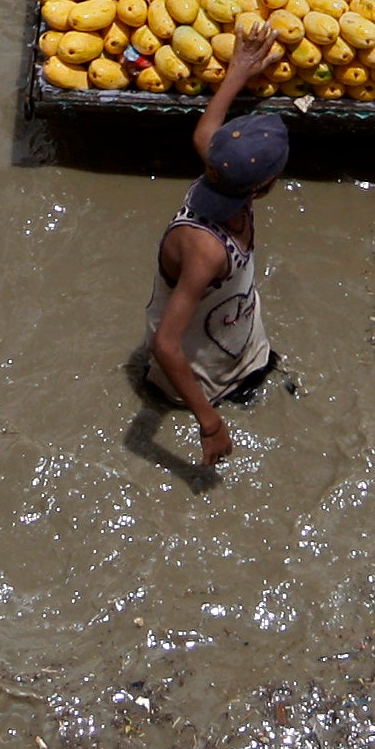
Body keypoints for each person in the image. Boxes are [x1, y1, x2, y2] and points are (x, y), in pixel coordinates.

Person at [145, 24, 291, 463]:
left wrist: (241, 68)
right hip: (197, 370)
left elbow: (205, 127)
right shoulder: (205, 249)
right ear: (268, 185)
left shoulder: (220, 168)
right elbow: (166, 345)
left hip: (238, 334)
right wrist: (209, 423)